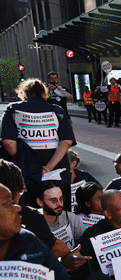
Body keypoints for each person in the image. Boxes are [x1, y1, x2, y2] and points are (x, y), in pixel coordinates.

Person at [1, 78, 75, 210]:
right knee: (58, 212)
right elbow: (66, 142)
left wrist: (31, 166)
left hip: (24, 175)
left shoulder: (12, 109)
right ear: (45, 95)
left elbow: (8, 142)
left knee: (27, 214)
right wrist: (48, 167)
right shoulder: (57, 111)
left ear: (23, 94)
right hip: (56, 175)